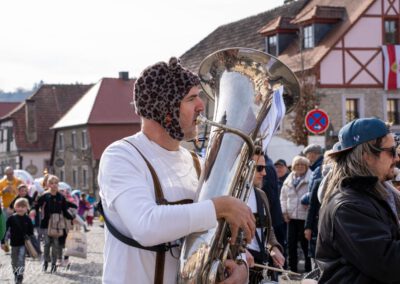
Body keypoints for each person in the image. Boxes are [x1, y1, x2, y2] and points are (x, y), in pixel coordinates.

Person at [98, 58, 255, 284]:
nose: (201, 106)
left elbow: (215, 239)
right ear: (166, 108)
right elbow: (145, 227)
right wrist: (220, 206)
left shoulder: (196, 163)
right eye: (191, 98)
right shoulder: (122, 156)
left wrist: (240, 264)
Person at [316, 117, 400, 283]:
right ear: (366, 156)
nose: (396, 158)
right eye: (392, 151)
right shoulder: (348, 206)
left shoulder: (370, 195)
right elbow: (391, 264)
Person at [247, 149, 285, 283]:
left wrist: (274, 248)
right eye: (259, 168)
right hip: (241, 265)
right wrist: (240, 252)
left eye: (264, 168)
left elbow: (267, 227)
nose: (264, 173)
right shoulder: (231, 197)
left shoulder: (261, 194)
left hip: (261, 263)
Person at [34, 175, 73, 273]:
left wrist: (72, 218)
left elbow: (64, 210)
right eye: (52, 183)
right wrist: (33, 212)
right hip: (46, 223)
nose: (54, 185)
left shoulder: (61, 197)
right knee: (47, 244)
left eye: (56, 183)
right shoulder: (44, 196)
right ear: (48, 184)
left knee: (56, 244)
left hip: (57, 224)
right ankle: (46, 262)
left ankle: (54, 264)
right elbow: (36, 205)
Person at [280, 156, 312, 273]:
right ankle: (292, 269)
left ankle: (308, 270)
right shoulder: (288, 180)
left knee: (305, 245)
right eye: (297, 165)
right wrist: (284, 212)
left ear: (306, 166)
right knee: (290, 244)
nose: (300, 167)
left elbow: (313, 197)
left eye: (302, 165)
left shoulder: (311, 178)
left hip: (305, 218)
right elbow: (283, 198)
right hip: (291, 218)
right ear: (293, 167)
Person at [1, 198, 33, 284]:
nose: (21, 208)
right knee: (14, 260)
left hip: (23, 244)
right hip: (14, 244)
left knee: (21, 260)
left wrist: (29, 237)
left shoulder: (28, 219)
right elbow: (5, 230)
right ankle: (16, 273)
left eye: (23, 206)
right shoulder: (11, 218)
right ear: (15, 207)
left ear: (27, 208)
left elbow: (31, 232)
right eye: (18, 206)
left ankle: (20, 275)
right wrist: (3, 241)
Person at [0, 167, 22, 252]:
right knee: (5, 226)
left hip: (17, 207)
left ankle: (17, 244)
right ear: (5, 174)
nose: (10, 175)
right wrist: (3, 191)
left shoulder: (18, 181)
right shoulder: (2, 183)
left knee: (16, 226)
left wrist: (15, 191)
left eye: (11, 173)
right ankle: (5, 243)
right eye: (8, 174)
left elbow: (24, 190)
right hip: (6, 207)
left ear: (13, 173)